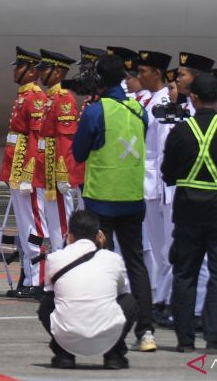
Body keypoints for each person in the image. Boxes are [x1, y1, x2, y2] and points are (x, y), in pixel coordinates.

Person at [71, 53, 156, 351]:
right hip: (133, 199)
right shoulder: (139, 110)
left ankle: (106, 330)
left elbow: (79, 153)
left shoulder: (96, 111)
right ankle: (146, 331)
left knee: (101, 266)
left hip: (102, 200)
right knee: (136, 264)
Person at [161, 71, 217, 353]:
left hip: (187, 209)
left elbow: (168, 173)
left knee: (185, 272)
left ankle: (184, 339)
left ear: (193, 98)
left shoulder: (180, 130)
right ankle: (215, 336)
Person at [39, 209, 139, 370]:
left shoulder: (55, 259)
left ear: (69, 236)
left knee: (47, 304)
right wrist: (103, 247)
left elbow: (51, 291)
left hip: (68, 335)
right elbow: (122, 292)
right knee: (129, 301)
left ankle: (64, 354)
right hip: (108, 334)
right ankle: (114, 355)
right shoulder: (113, 259)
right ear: (99, 235)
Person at [0, 47, 49, 298]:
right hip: (16, 166)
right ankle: (29, 276)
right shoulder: (24, 96)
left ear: (31, 72)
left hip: (25, 170)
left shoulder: (35, 97)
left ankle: (38, 279)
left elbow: (37, 138)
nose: (14, 71)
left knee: (34, 225)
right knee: (24, 224)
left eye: (19, 67)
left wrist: (29, 173)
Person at [134, 50, 175, 326]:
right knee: (157, 246)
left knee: (165, 249)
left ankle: (165, 300)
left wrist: (162, 184)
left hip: (159, 183)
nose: (138, 76)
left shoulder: (162, 102)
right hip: (148, 181)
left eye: (143, 71)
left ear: (157, 74)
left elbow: (163, 149)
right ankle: (159, 298)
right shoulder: (150, 101)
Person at [38, 50, 80, 247]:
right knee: (54, 221)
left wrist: (63, 175)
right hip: (49, 167)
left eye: (44, 69)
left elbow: (65, 140)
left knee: (62, 224)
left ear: (57, 73)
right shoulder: (52, 98)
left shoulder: (63, 98)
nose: (40, 74)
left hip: (57, 169)